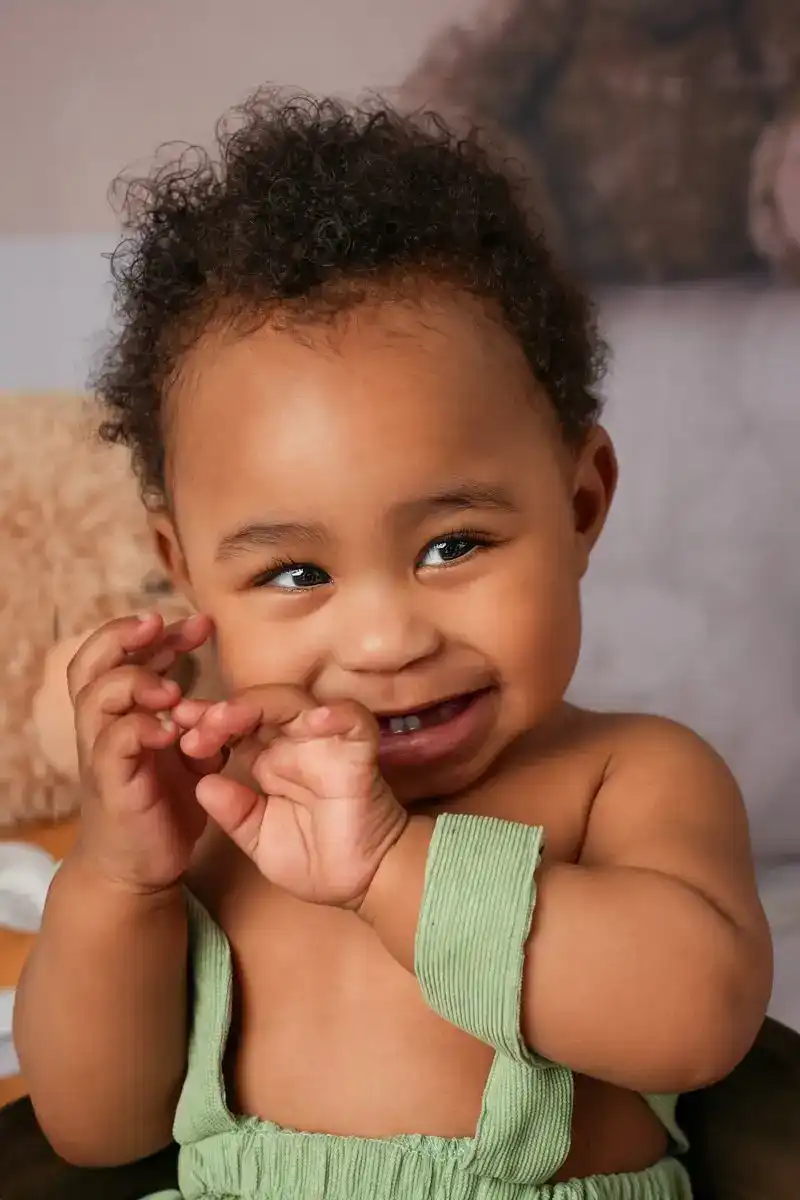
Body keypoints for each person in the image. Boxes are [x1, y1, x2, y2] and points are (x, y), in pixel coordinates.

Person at [13, 91, 772, 1200]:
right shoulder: (214, 814)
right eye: (295, 573)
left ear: (580, 504)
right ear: (184, 567)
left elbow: (697, 1021)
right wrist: (119, 878)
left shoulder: (627, 779)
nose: (383, 640)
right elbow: (95, 1130)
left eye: (453, 544)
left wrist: (388, 868)